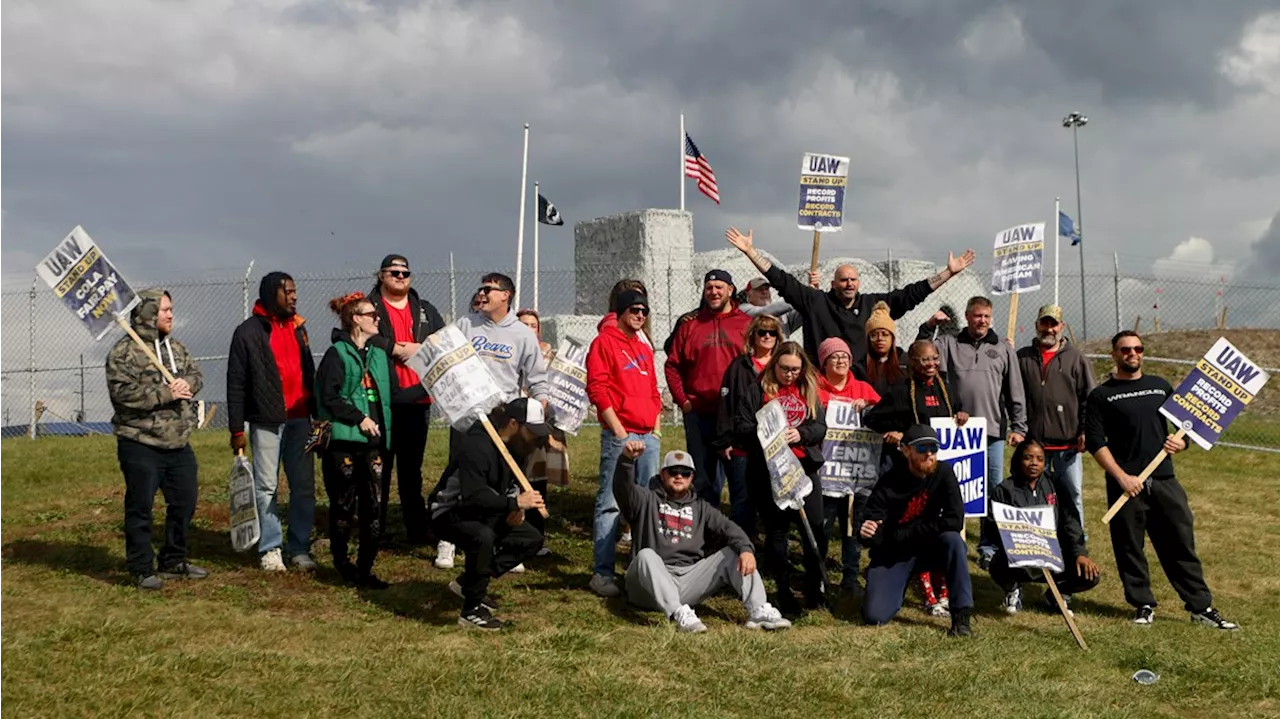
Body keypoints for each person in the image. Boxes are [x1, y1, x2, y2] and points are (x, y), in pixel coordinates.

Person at [1084, 331, 1238, 630]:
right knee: (1130, 547)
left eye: (1137, 348)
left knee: (1180, 543)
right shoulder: (1101, 395)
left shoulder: (1160, 386)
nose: (1132, 353)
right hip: (1126, 484)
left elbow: (1187, 427)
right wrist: (1122, 477)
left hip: (1164, 478)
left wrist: (1183, 444)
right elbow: (1094, 442)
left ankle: (1201, 607)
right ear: (1114, 354)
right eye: (1125, 349)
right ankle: (1142, 604)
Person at [725, 226, 976, 362]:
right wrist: (751, 252)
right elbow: (781, 280)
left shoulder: (873, 306)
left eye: (853, 279)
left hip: (861, 386)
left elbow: (911, 295)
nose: (849, 284)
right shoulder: (816, 302)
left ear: (859, 282)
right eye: (843, 280)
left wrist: (948, 273)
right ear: (832, 284)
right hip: (822, 386)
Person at [612, 442, 791, 632]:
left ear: (692, 478)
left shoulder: (701, 507)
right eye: (673, 471)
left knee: (733, 552)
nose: (679, 476)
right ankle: (678, 613)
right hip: (646, 586)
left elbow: (729, 529)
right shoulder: (645, 499)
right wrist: (626, 460)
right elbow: (622, 490)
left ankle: (759, 610)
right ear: (662, 474)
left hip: (687, 580)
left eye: (685, 472)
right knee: (646, 555)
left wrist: (746, 549)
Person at [316, 292, 429, 588]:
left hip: (375, 444)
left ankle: (365, 568)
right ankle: (342, 563)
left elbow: (393, 396)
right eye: (372, 316)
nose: (378, 319)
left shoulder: (379, 355)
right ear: (356, 319)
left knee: (374, 506)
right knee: (343, 504)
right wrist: (359, 418)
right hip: (344, 442)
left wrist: (429, 387)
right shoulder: (336, 354)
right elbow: (330, 396)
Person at [437, 272, 549, 570]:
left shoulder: (522, 334)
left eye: (489, 289)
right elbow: (442, 359)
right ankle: (448, 541)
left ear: (506, 295)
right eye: (480, 289)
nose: (482, 294)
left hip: (503, 425)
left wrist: (540, 410)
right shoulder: (466, 325)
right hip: (466, 418)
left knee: (502, 482)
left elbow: (537, 380)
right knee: (460, 475)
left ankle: (501, 539)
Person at [106, 289, 207, 590]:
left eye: (171, 309)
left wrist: (186, 383)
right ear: (149, 312)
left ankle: (173, 560)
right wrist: (167, 393)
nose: (170, 315)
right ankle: (140, 567)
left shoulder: (176, 349)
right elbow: (122, 396)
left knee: (185, 501)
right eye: (164, 309)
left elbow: (197, 375)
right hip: (139, 441)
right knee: (140, 507)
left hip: (177, 442)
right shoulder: (122, 354)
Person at [864, 339, 968, 615]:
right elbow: (872, 419)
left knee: (948, 533)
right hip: (909, 473)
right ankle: (902, 575)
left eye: (935, 359)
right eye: (924, 360)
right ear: (912, 362)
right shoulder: (900, 391)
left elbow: (956, 408)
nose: (931, 364)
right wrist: (897, 431)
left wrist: (961, 415)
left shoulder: (946, 387)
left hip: (938, 473)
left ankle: (946, 592)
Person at [429, 399, 549, 631]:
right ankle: (471, 611)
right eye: (533, 432)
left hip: (487, 510)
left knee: (531, 539)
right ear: (514, 424)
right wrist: (512, 502)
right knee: (482, 536)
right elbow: (473, 497)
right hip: (449, 512)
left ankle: (470, 583)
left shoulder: (518, 448)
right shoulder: (477, 446)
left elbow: (511, 485)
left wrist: (517, 508)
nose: (537, 439)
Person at [227, 272, 317, 573]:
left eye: (295, 291)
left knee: (303, 486)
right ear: (270, 293)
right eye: (288, 291)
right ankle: (271, 548)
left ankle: (299, 548)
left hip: (301, 419)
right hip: (266, 421)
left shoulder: (299, 328)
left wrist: (317, 414)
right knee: (266, 487)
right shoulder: (247, 332)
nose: (294, 296)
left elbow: (309, 372)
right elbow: (236, 383)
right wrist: (237, 430)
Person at [733, 341, 828, 616]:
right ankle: (783, 592)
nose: (790, 374)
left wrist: (802, 434)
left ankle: (814, 585)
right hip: (769, 471)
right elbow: (740, 425)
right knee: (777, 532)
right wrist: (766, 433)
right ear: (774, 365)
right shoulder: (757, 389)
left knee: (816, 528)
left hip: (803, 468)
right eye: (785, 369)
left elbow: (820, 426)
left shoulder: (808, 389)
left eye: (795, 369)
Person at [585, 289, 663, 597]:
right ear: (619, 311)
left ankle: (639, 570)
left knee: (646, 506)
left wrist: (655, 431)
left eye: (644, 310)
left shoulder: (643, 347)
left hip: (649, 435)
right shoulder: (604, 342)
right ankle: (602, 573)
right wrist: (619, 433)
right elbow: (598, 389)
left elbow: (654, 391)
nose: (640, 315)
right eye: (634, 309)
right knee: (610, 504)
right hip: (622, 435)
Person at [860, 425, 973, 636]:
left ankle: (961, 617)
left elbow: (954, 520)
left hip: (928, 547)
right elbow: (872, 523)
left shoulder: (944, 473)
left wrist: (906, 533)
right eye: (922, 448)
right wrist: (865, 531)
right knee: (875, 616)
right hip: (895, 553)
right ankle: (889, 583)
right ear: (905, 451)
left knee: (954, 542)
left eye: (934, 448)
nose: (929, 454)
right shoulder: (889, 481)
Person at [366, 254, 445, 545]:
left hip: (417, 400)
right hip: (382, 400)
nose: (400, 277)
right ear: (381, 275)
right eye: (394, 272)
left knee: (412, 471)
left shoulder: (425, 309)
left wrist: (419, 348)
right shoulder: (369, 307)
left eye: (405, 272)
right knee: (379, 469)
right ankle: (376, 529)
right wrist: (394, 348)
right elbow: (358, 335)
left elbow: (443, 342)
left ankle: (417, 530)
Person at [920, 296, 1027, 500]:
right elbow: (921, 352)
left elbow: (1015, 389)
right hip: (957, 430)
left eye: (987, 316)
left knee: (993, 487)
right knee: (952, 485)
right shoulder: (949, 344)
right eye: (978, 315)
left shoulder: (1003, 349)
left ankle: (990, 531)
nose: (983, 320)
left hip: (992, 430)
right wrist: (930, 324)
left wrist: (1019, 427)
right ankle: (952, 530)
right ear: (967, 316)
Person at [981, 438, 1100, 615]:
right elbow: (991, 527)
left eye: (1039, 459)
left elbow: (1070, 522)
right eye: (1028, 458)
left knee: (1089, 574)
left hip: (1054, 555)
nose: (1034, 463)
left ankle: (1057, 594)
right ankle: (1012, 590)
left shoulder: (1057, 485)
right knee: (997, 563)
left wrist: (1080, 553)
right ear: (1018, 460)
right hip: (1019, 555)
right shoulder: (1004, 490)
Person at [664, 269, 752, 506]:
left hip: (735, 417)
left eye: (719, 287)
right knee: (702, 480)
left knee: (740, 479)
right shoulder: (690, 326)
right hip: (700, 413)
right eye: (709, 288)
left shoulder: (746, 324)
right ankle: (706, 535)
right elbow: (672, 366)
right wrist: (683, 401)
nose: (714, 292)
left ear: (730, 291)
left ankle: (741, 537)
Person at [1016, 304, 1094, 531]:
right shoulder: (1023, 357)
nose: (1048, 329)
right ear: (1036, 325)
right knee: (1031, 494)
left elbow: (1089, 398)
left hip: (1067, 444)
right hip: (1033, 443)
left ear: (1061, 326)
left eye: (1053, 324)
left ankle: (1076, 542)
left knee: (1072, 494)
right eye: (1044, 323)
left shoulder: (1076, 358)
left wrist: (1084, 430)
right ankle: (1036, 539)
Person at [814, 337, 880, 595]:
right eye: (834, 357)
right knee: (824, 526)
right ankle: (819, 577)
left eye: (845, 356)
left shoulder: (863, 388)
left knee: (852, 527)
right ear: (824, 363)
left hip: (856, 472)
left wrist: (870, 406)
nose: (841, 360)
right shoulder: (816, 390)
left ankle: (850, 578)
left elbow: (885, 414)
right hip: (826, 473)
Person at [713, 313, 784, 537]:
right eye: (761, 332)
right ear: (752, 336)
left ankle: (775, 553)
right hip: (744, 445)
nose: (766, 336)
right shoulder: (739, 366)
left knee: (775, 499)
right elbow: (726, 403)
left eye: (772, 332)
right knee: (742, 500)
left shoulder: (783, 366)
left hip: (776, 445)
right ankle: (743, 548)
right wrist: (725, 440)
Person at [517, 309, 568, 561]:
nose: (529, 329)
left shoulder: (552, 356)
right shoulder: (511, 350)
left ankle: (536, 539)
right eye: (523, 324)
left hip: (543, 427)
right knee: (516, 483)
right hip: (516, 429)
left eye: (533, 325)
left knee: (539, 482)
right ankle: (514, 540)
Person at [858, 301, 908, 398]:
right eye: (874, 335)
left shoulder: (905, 361)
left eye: (885, 334)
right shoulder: (861, 367)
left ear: (892, 338)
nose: (880, 339)